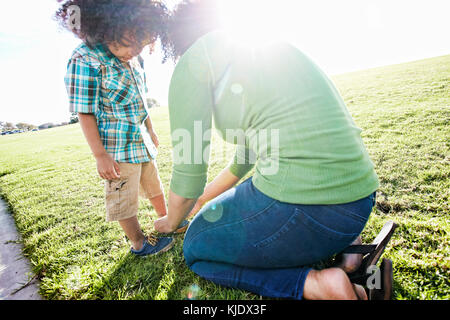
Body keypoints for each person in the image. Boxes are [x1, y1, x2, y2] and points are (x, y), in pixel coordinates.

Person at [154, 0, 379, 299]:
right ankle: (350, 249)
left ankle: (317, 286)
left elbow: (188, 175)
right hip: (359, 204)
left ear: (176, 38)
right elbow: (244, 159)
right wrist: (203, 200)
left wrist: (171, 221)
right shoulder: (269, 49)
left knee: (195, 247)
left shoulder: (195, 60)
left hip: (309, 212)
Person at [56, 0, 187, 257]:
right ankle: (139, 242)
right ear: (108, 26)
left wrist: (150, 129)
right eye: (130, 43)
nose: (134, 51)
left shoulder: (133, 60)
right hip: (116, 149)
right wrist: (100, 155)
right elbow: (85, 112)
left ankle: (169, 219)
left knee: (154, 186)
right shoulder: (85, 58)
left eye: (141, 45)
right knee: (123, 198)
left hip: (141, 142)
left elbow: (141, 99)